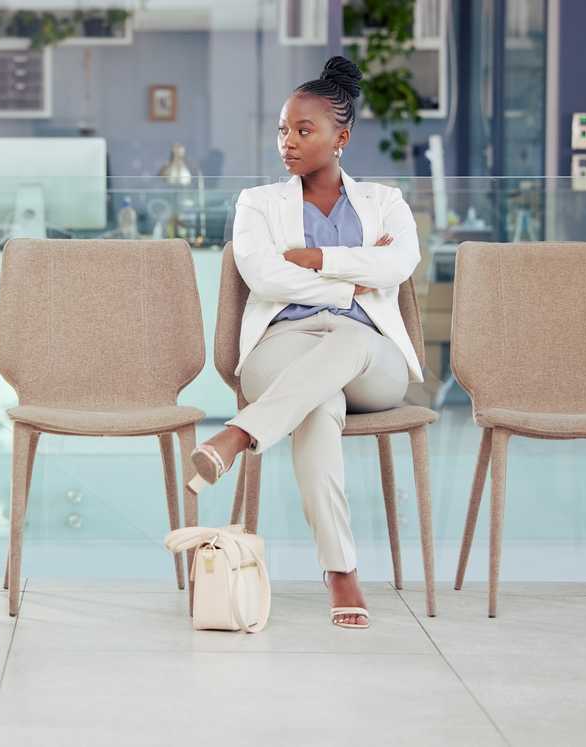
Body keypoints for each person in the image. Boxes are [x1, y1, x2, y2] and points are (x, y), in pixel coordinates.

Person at [187, 56, 423, 629]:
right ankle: (341, 570)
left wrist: (319, 259)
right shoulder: (257, 204)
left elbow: (401, 262)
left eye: (303, 130)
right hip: (282, 345)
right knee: (317, 405)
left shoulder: (385, 200)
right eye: (282, 130)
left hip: (371, 357)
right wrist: (352, 281)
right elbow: (264, 277)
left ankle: (240, 433)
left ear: (341, 138)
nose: (287, 142)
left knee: (347, 342)